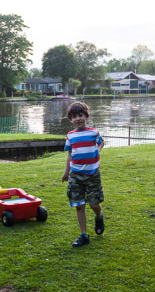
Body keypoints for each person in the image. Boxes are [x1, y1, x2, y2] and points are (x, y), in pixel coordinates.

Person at [62, 102, 105, 247]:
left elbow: (102, 142)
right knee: (79, 205)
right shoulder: (70, 136)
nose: (77, 119)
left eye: (80, 115)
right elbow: (69, 155)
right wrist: (66, 172)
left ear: (86, 116)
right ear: (70, 120)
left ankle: (99, 216)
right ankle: (84, 235)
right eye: (74, 117)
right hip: (75, 174)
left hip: (92, 174)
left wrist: (97, 151)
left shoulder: (94, 132)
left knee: (94, 204)